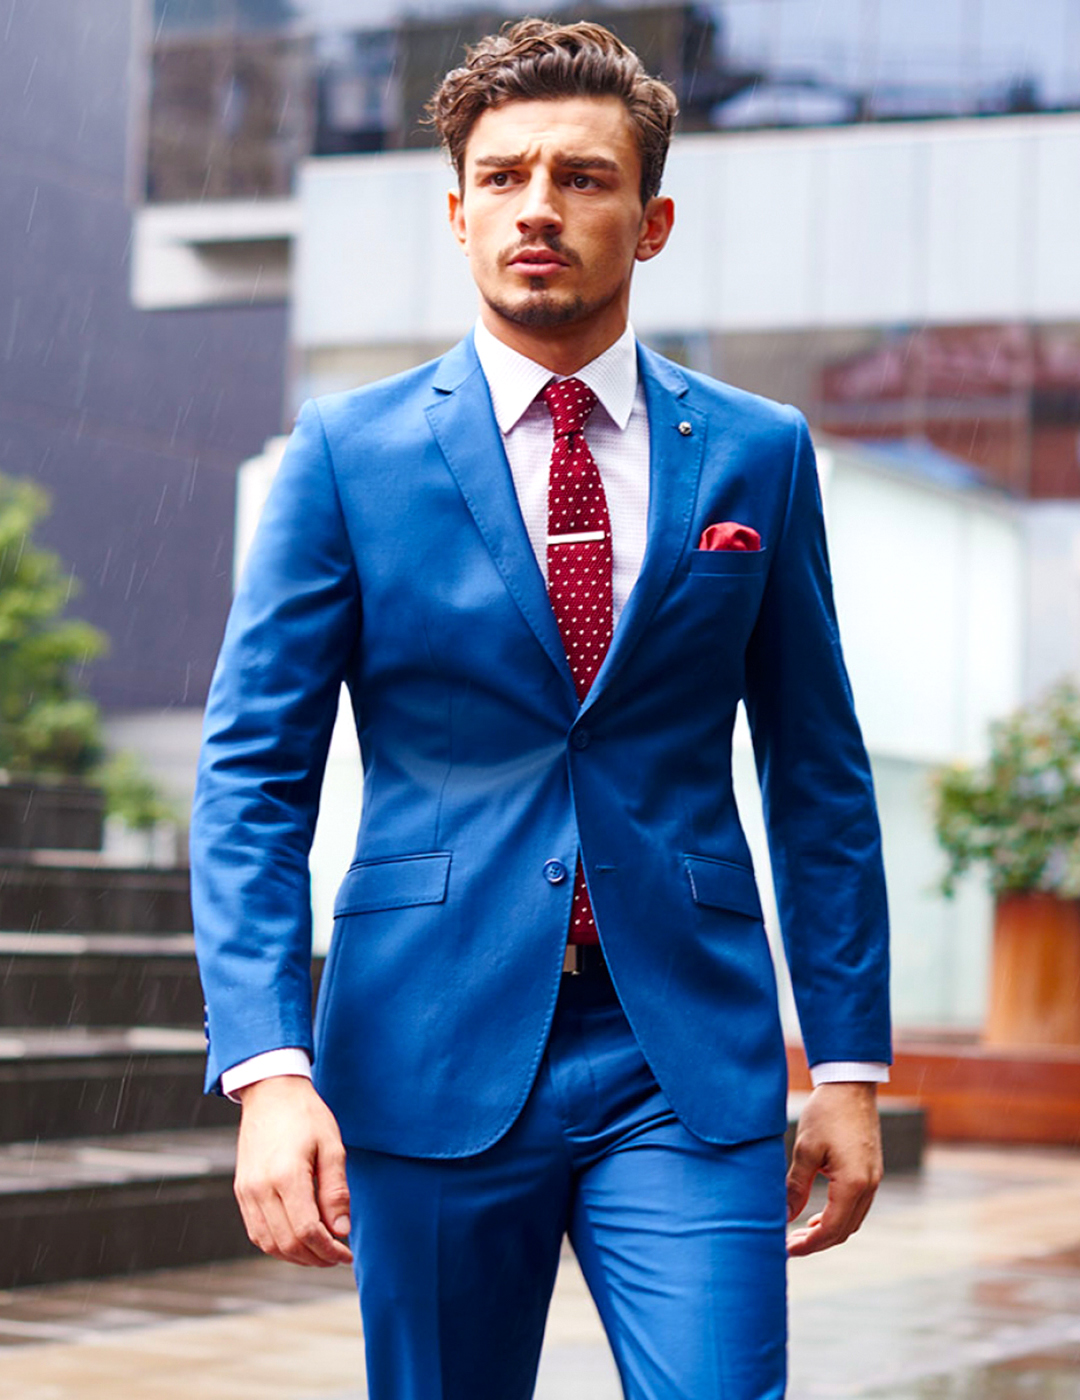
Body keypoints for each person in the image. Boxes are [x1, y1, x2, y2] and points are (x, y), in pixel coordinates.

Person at [191, 18, 891, 1400]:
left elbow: (818, 771)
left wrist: (852, 1062)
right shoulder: (348, 454)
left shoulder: (757, 454)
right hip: (425, 1042)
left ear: (653, 217)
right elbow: (252, 776)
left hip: (681, 1053)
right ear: (456, 216)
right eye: (504, 177)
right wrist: (268, 1069)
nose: (539, 208)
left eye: (583, 177)